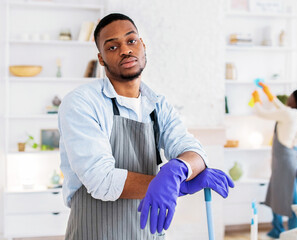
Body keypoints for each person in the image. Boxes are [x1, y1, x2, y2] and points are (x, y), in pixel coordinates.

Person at [58, 13, 234, 240]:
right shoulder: (82, 102)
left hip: (147, 233)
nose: (125, 50)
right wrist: (179, 186)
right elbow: (100, 180)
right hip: (95, 232)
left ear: (143, 45)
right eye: (112, 47)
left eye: (131, 41)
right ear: (101, 59)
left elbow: (193, 150)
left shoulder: (158, 105)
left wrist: (177, 170)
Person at [251, 83, 297, 239]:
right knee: (275, 193)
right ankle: (277, 228)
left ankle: (293, 231)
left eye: (291, 96)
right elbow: (281, 108)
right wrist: (269, 94)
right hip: (287, 159)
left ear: (295, 101)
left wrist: (256, 98)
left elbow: (261, 113)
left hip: (286, 161)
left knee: (291, 198)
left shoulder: (289, 114)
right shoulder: (295, 113)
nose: (288, 97)